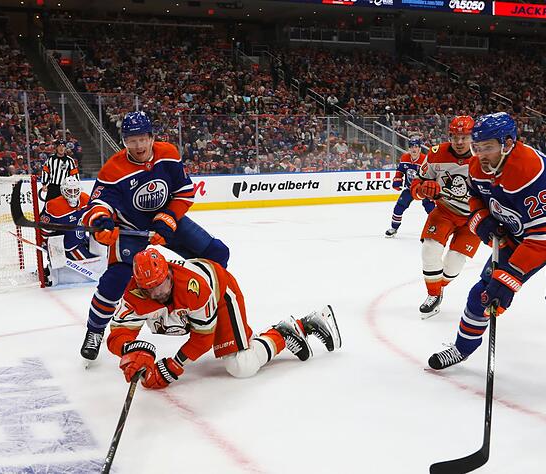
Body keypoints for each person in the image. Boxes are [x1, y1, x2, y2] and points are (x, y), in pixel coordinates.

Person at [426, 113, 546, 396]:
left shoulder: (528, 170)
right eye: (477, 146)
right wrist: (481, 218)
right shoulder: (478, 165)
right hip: (520, 232)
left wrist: (510, 278)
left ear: (508, 144)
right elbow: (474, 197)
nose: (480, 154)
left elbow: (544, 238)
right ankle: (462, 347)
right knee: (482, 294)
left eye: (488, 147)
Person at [79, 111, 230, 363]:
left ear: (151, 138)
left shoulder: (168, 154)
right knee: (115, 280)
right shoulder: (113, 169)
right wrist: (102, 222)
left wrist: (168, 219)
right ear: (124, 141)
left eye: (142, 139)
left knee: (217, 253)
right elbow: (97, 204)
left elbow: (184, 192)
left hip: (166, 224)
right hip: (130, 229)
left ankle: (205, 310)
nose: (137, 146)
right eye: (131, 140)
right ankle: (94, 331)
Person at [107, 249, 341, 388]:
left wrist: (174, 365)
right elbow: (117, 336)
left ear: (168, 272)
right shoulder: (134, 294)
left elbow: (202, 339)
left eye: (161, 285)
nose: (157, 293)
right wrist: (129, 349)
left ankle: (288, 329)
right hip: (193, 310)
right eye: (149, 289)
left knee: (241, 366)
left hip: (220, 294)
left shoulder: (193, 287)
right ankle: (280, 333)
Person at [410, 116, 481, 318]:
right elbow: (415, 187)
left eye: (464, 137)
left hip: (474, 218)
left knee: (454, 263)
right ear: (449, 135)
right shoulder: (436, 153)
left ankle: (438, 288)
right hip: (444, 211)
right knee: (430, 250)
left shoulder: (483, 156)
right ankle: (433, 294)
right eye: (455, 137)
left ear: (472, 137)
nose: (459, 142)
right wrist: (423, 190)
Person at [385, 136, 434, 237]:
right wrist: (397, 181)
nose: (414, 149)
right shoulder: (404, 158)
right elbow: (400, 171)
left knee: (431, 208)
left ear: (420, 148)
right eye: (411, 146)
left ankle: (435, 228)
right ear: (409, 148)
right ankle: (394, 228)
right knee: (399, 207)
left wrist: (429, 189)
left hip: (423, 189)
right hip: (409, 188)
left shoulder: (425, 160)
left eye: (416, 146)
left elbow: (431, 175)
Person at [39, 177, 96, 261]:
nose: (73, 194)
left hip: (82, 240)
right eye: (69, 191)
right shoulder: (54, 206)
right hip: (67, 247)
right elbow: (45, 229)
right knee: (91, 262)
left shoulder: (85, 199)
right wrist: (47, 243)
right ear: (63, 191)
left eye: (75, 190)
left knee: (101, 255)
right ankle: (52, 268)